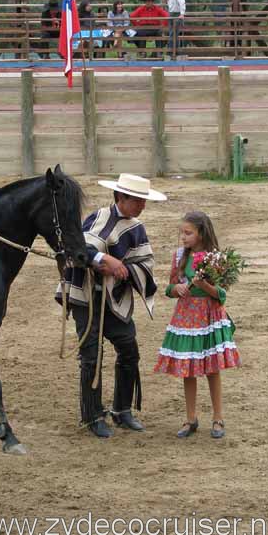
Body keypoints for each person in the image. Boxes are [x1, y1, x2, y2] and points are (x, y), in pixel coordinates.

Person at [56, 174, 167, 438]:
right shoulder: (96, 218)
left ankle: (122, 410)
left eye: (143, 201)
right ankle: (92, 415)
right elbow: (77, 247)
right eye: (138, 201)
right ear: (121, 198)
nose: (142, 206)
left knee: (129, 349)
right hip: (87, 297)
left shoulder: (137, 228)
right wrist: (101, 258)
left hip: (115, 298)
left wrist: (123, 268)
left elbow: (145, 263)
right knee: (91, 356)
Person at [154, 211, 241, 439]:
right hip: (186, 317)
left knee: (212, 368)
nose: (183, 237)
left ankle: (218, 418)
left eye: (188, 233)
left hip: (209, 318)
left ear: (201, 232)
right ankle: (190, 418)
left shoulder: (216, 258)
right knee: (188, 369)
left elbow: (221, 295)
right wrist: (177, 289)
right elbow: (168, 288)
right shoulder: (179, 256)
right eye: (182, 233)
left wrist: (204, 285)